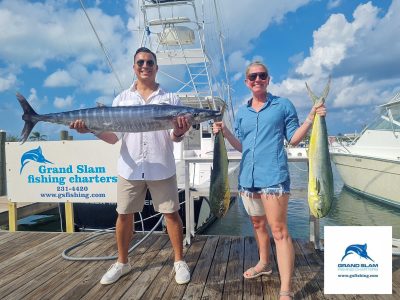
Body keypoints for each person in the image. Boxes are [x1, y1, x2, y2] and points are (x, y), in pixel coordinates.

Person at [70, 47, 191, 285]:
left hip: (161, 166)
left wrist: (179, 130)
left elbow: (174, 138)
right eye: (140, 63)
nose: (145, 66)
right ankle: (122, 263)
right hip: (130, 167)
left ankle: (179, 260)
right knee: (124, 215)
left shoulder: (171, 99)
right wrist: (90, 129)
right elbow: (114, 137)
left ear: (156, 67)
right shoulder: (122, 99)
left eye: (149, 62)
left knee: (171, 214)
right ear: (134, 68)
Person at [213, 61, 326, 299]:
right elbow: (241, 146)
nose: (257, 79)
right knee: (257, 225)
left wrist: (312, 117)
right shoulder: (242, 112)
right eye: (252, 76)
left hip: (273, 178)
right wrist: (225, 133)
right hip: (247, 179)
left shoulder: (282, 105)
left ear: (268, 79)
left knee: (280, 232)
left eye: (261, 75)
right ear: (246, 82)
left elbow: (293, 139)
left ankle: (285, 290)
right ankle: (264, 263)